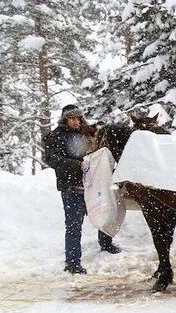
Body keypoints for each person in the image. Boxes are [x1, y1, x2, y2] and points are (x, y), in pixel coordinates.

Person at [43, 104, 121, 274]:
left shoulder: (86, 133)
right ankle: (72, 262)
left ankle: (106, 243)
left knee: (103, 213)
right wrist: (77, 165)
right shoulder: (55, 136)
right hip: (72, 188)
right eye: (72, 118)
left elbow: (101, 142)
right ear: (65, 119)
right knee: (73, 225)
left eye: (78, 118)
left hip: (93, 186)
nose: (76, 121)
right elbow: (51, 159)